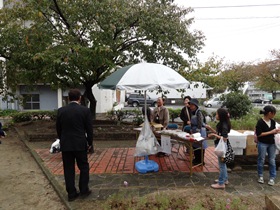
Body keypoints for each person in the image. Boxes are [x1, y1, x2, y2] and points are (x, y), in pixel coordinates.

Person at [56, 89, 93, 202]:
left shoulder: (61, 111)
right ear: (79, 98)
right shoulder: (85, 111)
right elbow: (89, 129)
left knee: (68, 168)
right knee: (84, 167)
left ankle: (71, 193)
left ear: (68, 98)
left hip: (66, 143)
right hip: (80, 143)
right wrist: (90, 142)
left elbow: (58, 128)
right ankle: (84, 189)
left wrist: (62, 139)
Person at [206, 108, 231, 189]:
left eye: (217, 114)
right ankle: (225, 179)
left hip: (222, 147)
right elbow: (218, 133)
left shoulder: (224, 125)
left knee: (222, 165)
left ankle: (221, 183)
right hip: (221, 146)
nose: (216, 115)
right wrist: (210, 129)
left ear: (221, 116)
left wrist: (214, 136)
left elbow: (224, 138)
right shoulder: (222, 123)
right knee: (223, 164)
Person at [255, 105, 279, 186]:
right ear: (269, 113)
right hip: (262, 143)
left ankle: (272, 177)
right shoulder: (260, 122)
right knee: (261, 159)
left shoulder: (273, 121)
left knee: (272, 160)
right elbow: (259, 134)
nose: (274, 115)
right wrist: (271, 132)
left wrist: (276, 131)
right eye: (274, 113)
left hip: (272, 143)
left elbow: (273, 131)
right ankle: (260, 176)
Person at [189, 98, 207, 165]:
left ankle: (201, 161)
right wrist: (191, 130)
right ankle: (196, 159)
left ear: (195, 105)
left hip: (200, 131)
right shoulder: (192, 112)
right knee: (195, 146)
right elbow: (191, 122)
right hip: (194, 131)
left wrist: (197, 132)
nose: (190, 106)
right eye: (190, 105)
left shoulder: (199, 112)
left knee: (200, 146)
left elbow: (200, 122)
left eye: (192, 105)